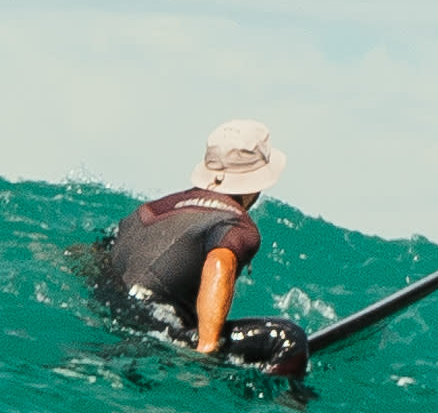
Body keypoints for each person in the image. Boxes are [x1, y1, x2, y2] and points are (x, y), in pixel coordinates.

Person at [95, 120, 300, 377]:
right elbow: (221, 262)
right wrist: (206, 350)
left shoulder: (146, 211)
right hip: (159, 332)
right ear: (257, 181)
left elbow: (95, 255)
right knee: (286, 338)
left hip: (111, 319)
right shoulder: (235, 221)